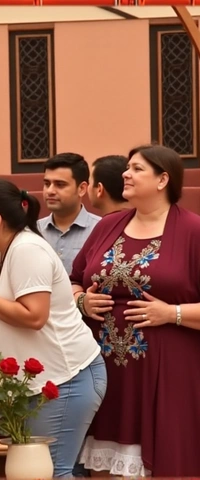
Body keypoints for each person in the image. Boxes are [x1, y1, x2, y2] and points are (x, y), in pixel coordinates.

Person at [0, 178, 106, 478]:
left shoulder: (26, 249)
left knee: (50, 472)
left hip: (67, 379)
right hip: (51, 382)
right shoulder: (10, 248)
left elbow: (35, 316)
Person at [71, 144, 200, 476]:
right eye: (127, 167)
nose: (126, 174)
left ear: (163, 180)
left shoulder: (193, 232)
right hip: (106, 369)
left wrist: (173, 314)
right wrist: (82, 300)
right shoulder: (108, 226)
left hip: (168, 369)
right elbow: (72, 280)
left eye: (137, 168)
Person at [38, 153, 100, 273]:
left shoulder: (101, 230)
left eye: (60, 185)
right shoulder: (33, 230)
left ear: (82, 189)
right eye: (47, 184)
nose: (50, 191)